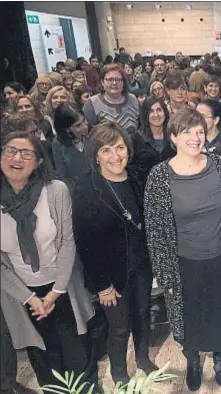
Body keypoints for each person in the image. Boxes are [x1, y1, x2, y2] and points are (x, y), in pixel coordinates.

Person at [144, 108, 221, 391]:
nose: (195, 137)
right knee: (189, 318)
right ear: (173, 136)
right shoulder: (159, 176)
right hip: (184, 263)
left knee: (220, 311)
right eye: (187, 131)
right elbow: (155, 231)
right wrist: (165, 276)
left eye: (200, 131)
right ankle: (192, 359)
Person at [0, 132, 96, 389]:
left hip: (62, 285)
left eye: (26, 153)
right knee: (44, 358)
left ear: (39, 162)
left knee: (79, 354)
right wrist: (30, 298)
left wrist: (55, 292)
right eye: (10, 150)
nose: (17, 157)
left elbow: (66, 242)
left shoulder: (55, 191)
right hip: (21, 293)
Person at [71, 122, 158, 384]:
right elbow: (84, 243)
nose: (116, 156)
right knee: (119, 327)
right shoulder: (87, 188)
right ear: (96, 154)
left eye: (120, 148)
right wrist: (102, 285)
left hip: (141, 266)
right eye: (107, 150)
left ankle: (143, 358)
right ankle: (119, 371)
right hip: (110, 275)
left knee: (143, 315)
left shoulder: (135, 177)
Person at [83, 64, 141, 133]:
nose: (114, 83)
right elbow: (85, 133)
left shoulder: (133, 99)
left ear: (123, 82)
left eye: (118, 79)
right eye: (110, 79)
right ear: (102, 82)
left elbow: (141, 126)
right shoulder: (92, 104)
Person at [51, 104, 91, 194]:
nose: (85, 126)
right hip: (79, 193)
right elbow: (63, 175)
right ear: (66, 129)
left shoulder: (94, 133)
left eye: (84, 120)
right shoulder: (58, 143)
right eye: (78, 125)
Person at [139, 96, 174, 161]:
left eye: (159, 110)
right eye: (151, 111)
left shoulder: (174, 137)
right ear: (145, 114)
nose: (156, 115)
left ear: (165, 112)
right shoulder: (136, 139)